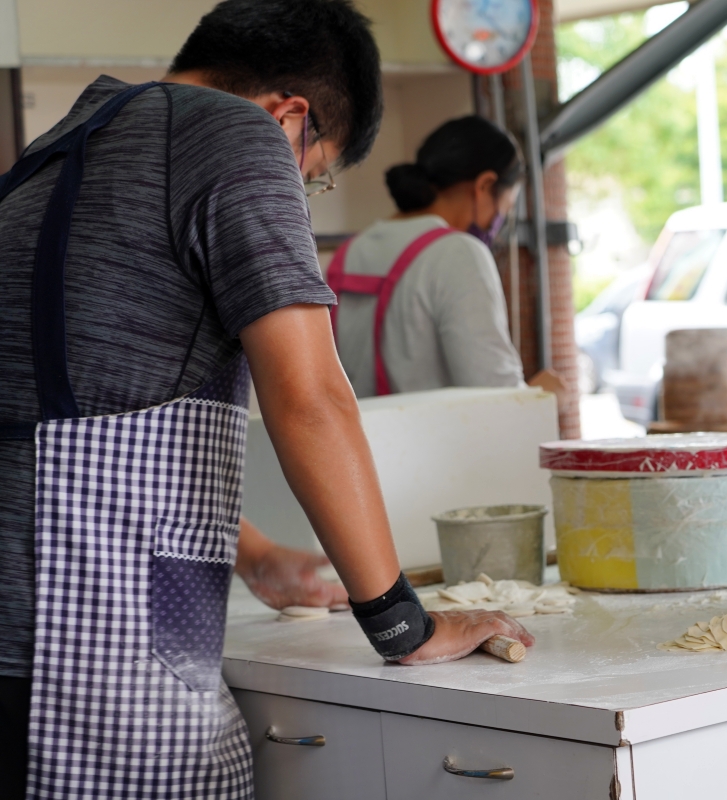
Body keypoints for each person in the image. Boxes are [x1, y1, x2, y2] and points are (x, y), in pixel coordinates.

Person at [0, 2, 530, 796]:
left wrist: (253, 553)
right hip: (82, 658)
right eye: (315, 177)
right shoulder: (235, 134)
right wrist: (401, 623)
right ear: (291, 117)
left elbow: (72, 418)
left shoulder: (58, 148)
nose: (300, 193)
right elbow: (311, 397)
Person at [329, 115, 559, 397]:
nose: (496, 227)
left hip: (359, 440)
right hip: (430, 441)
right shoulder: (459, 252)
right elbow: (495, 395)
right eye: (504, 209)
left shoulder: (353, 250)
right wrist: (546, 397)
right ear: (485, 185)